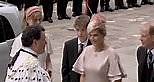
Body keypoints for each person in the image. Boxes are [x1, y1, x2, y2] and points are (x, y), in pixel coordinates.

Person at [73, 13, 126, 82]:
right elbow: (83, 75)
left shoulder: (111, 54)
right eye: (90, 35)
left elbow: (117, 80)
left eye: (95, 35)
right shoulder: (87, 50)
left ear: (103, 35)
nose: (92, 38)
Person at [10, 6, 53, 79]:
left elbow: (48, 59)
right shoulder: (19, 40)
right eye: (35, 20)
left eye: (40, 20)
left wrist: (49, 70)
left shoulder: (44, 38)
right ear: (27, 20)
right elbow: (13, 62)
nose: (38, 23)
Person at [61, 15, 91, 82]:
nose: (80, 33)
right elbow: (65, 69)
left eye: (83, 30)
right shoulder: (68, 45)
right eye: (77, 30)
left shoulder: (92, 46)